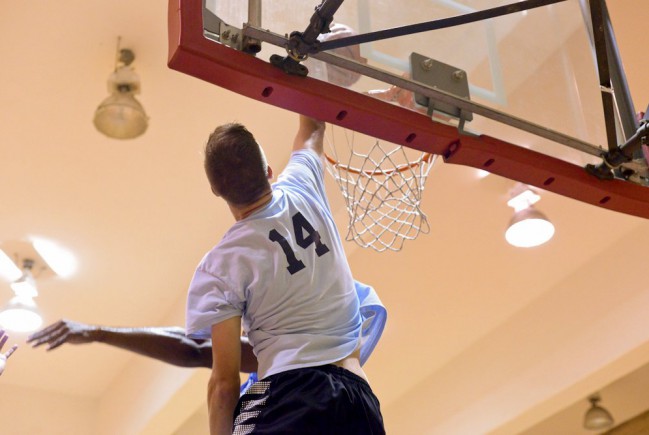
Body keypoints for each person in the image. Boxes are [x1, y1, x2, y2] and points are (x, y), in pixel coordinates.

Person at [186, 115, 385, 434]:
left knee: (248, 404)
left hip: (288, 396)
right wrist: (310, 71)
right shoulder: (303, 183)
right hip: (358, 400)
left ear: (216, 190)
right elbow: (313, 127)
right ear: (268, 172)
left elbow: (224, 385)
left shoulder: (220, 265)